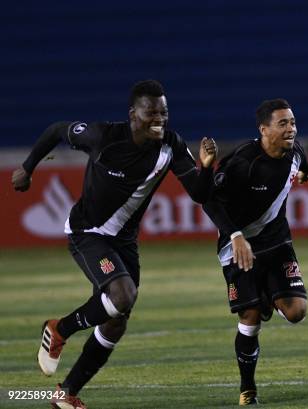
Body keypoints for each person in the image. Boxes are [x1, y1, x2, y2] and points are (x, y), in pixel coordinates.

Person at [11, 80, 218, 409]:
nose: (159, 119)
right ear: (133, 114)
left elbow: (199, 193)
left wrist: (206, 168)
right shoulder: (103, 136)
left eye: (163, 113)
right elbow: (56, 130)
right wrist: (27, 167)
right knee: (122, 295)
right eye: (151, 112)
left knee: (117, 319)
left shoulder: (171, 146)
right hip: (87, 233)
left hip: (123, 242)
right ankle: (59, 329)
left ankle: (67, 393)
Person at [203, 98, 308, 405]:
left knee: (297, 312)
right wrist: (236, 235)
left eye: (293, 122)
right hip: (238, 246)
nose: (291, 128)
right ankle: (248, 388)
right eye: (283, 123)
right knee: (250, 316)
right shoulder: (243, 162)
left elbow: (304, 169)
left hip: (278, 242)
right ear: (264, 129)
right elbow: (210, 201)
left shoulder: (296, 151)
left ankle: (269, 296)